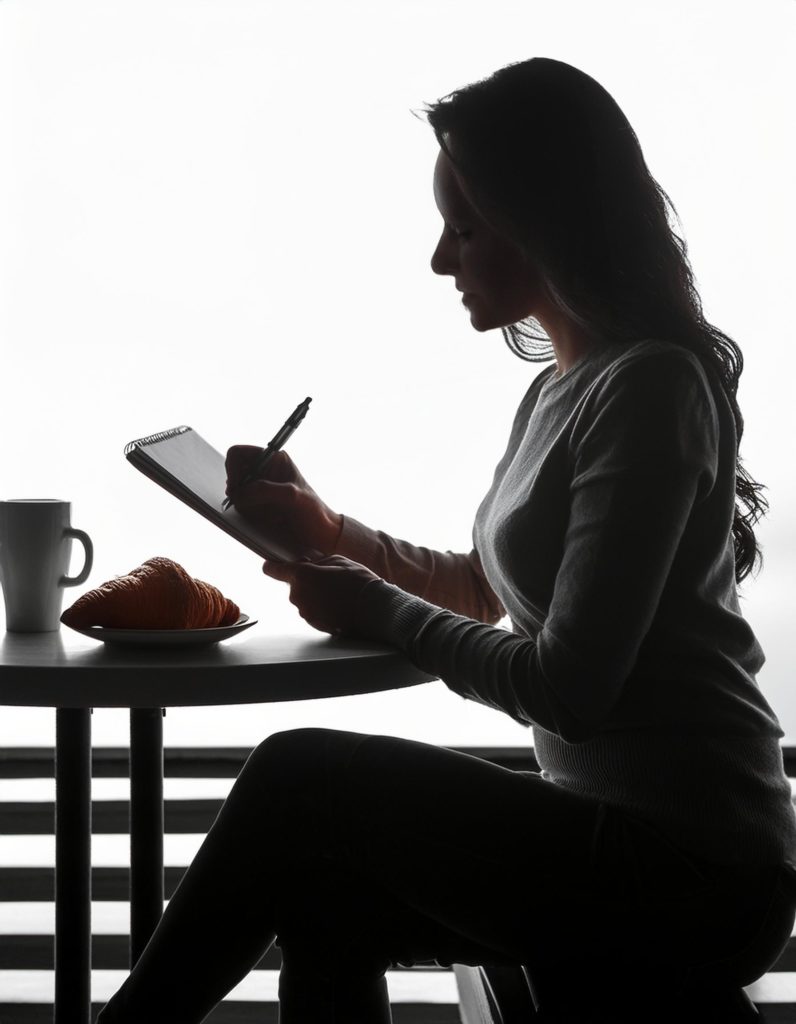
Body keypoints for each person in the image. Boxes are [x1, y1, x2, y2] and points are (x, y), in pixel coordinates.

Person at [98, 57, 796, 1024]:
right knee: (317, 891)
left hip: (697, 869)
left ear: (546, 223)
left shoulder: (652, 388)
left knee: (297, 772)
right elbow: (485, 587)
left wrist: (376, 603)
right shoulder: (562, 385)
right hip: (626, 843)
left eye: (463, 229)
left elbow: (570, 689)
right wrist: (332, 532)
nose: (440, 259)